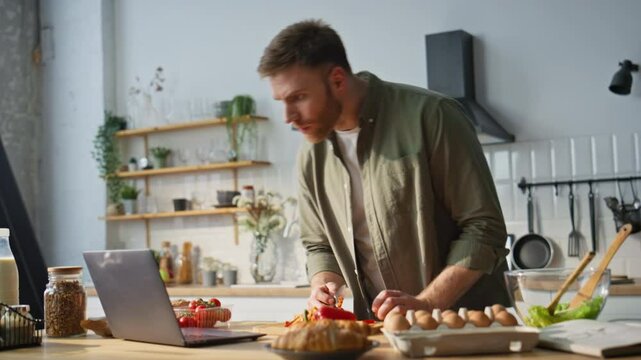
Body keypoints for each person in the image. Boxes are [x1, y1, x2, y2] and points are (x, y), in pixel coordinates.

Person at [257, 19, 510, 320]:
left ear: (337, 79)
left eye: (298, 97)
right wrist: (324, 284)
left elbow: (484, 228)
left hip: (464, 326)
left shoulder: (432, 116)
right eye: (281, 102)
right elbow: (319, 243)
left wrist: (428, 303)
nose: (288, 117)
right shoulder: (311, 154)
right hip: (380, 330)